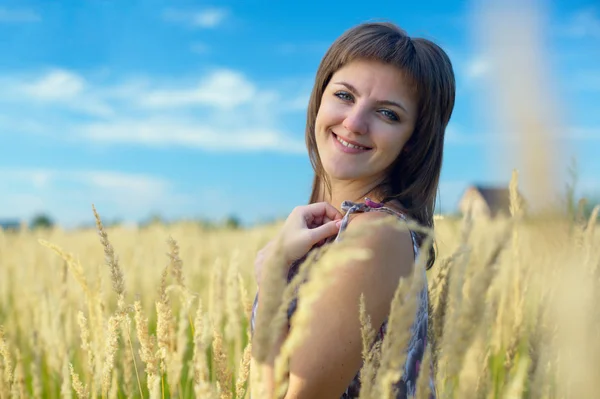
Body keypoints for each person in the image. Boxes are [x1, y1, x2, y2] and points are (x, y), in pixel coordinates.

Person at [250, 21, 455, 399]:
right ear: (320, 98)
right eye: (345, 96)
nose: (355, 123)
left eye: (388, 114)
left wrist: (273, 275)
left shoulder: (376, 235)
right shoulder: (347, 227)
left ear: (413, 141)